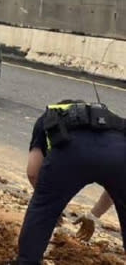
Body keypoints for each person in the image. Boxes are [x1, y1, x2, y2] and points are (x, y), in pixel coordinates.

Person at [17, 99, 125, 264]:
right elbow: (116, 186)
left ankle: (27, 262)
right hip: (120, 159)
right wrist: (94, 215)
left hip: (71, 156)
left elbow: (32, 173)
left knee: (41, 210)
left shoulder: (49, 117)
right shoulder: (111, 123)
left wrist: (51, 204)